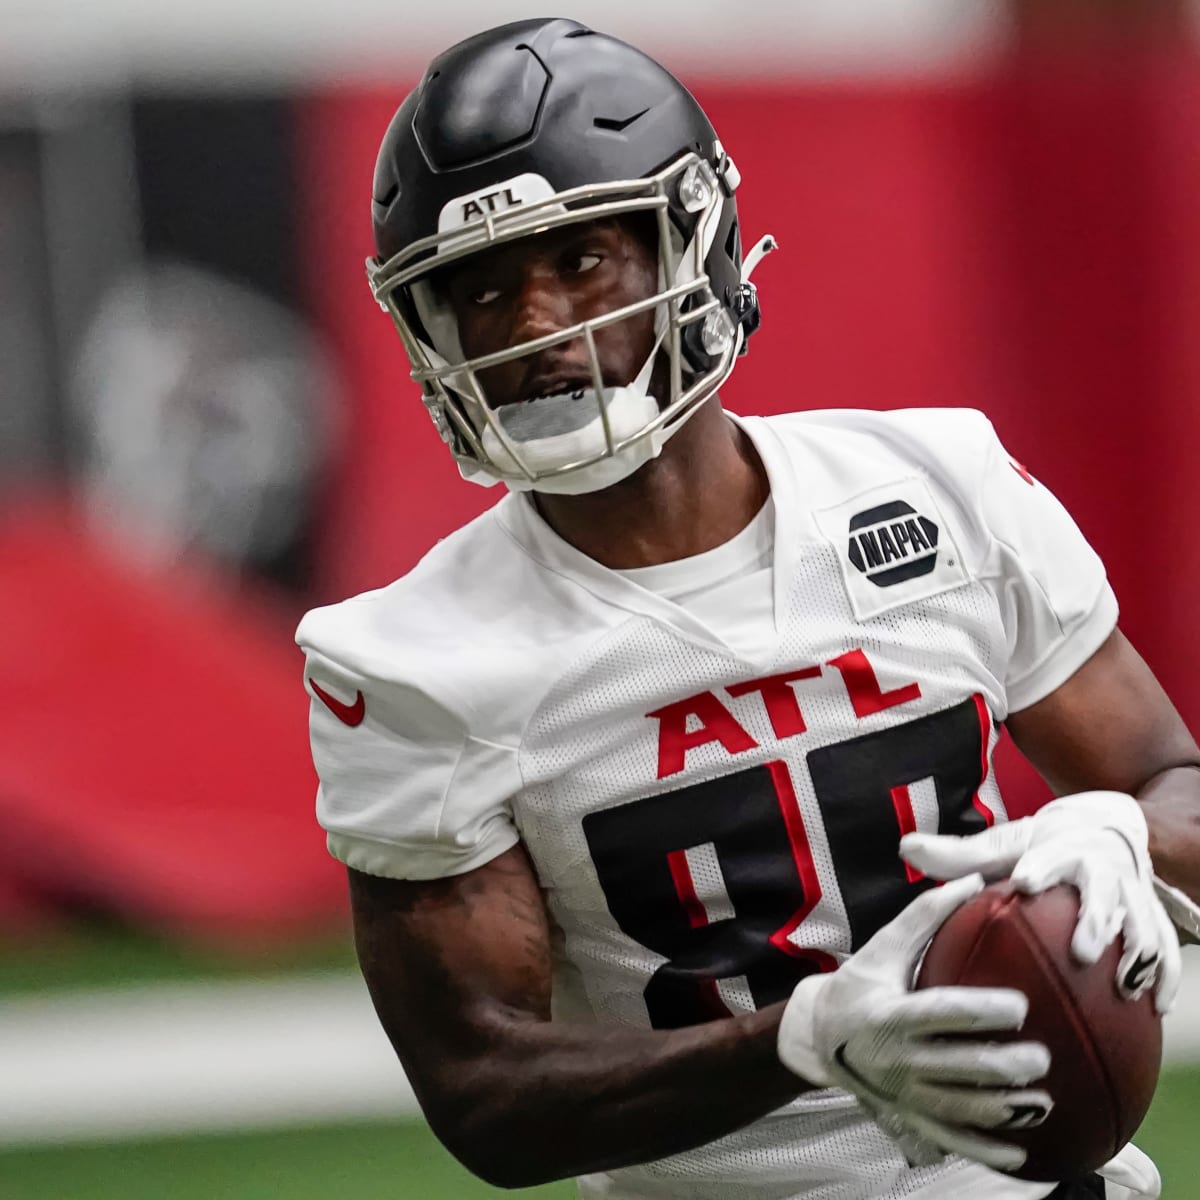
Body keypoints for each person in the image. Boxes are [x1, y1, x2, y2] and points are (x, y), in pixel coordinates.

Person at [296, 18, 1200, 1200]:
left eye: (579, 261)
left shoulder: (937, 486)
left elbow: (1172, 782)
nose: (532, 327)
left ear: (695, 240)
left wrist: (1124, 835)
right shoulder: (418, 658)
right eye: (480, 289)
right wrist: (798, 1038)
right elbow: (485, 1095)